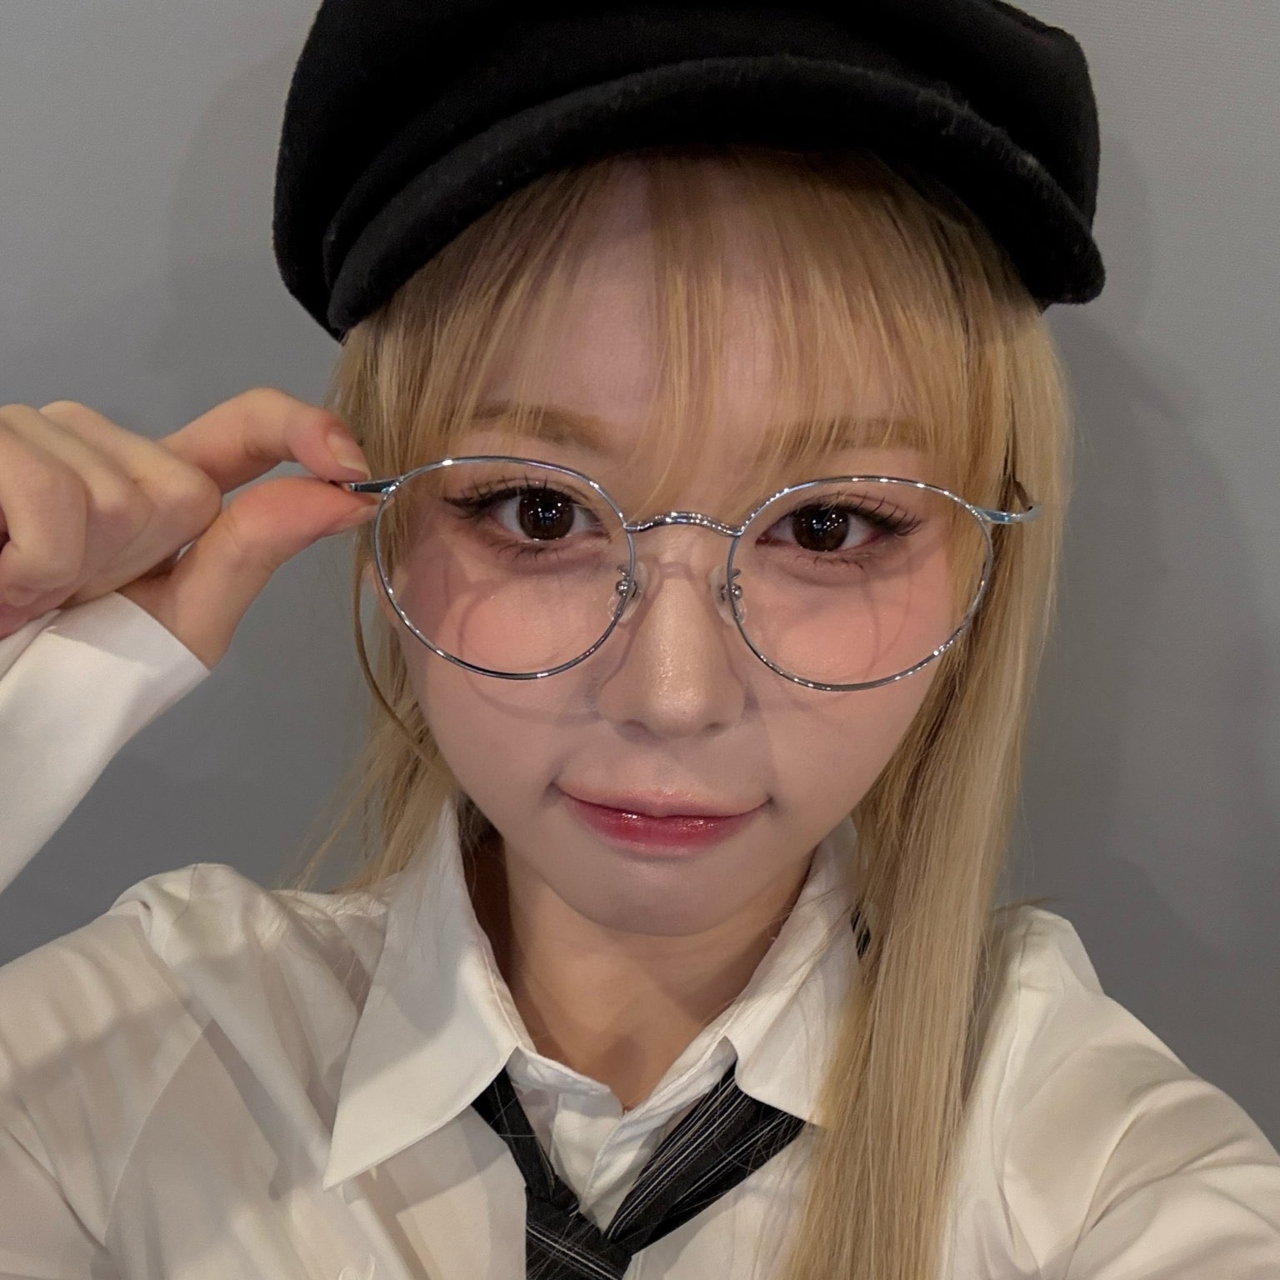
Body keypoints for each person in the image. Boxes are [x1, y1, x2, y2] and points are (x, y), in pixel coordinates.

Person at [0, 3, 1278, 1279]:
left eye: (825, 526)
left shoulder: (1097, 1176)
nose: (673, 695)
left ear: (978, 576)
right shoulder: (113, 1074)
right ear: (382, 522)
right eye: (538, 511)